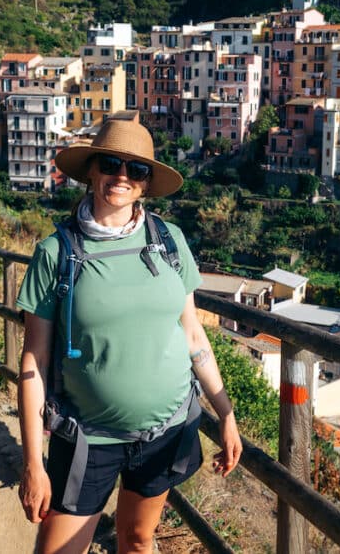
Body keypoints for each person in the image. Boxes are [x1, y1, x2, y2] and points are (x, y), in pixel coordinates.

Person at [16, 114, 242, 554]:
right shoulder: (55, 253)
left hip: (165, 431)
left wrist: (226, 412)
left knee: (138, 541)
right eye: (111, 164)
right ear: (91, 171)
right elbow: (33, 363)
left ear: (145, 183)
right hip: (87, 439)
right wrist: (33, 463)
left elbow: (193, 335)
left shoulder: (170, 241)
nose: (121, 176)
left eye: (135, 169)